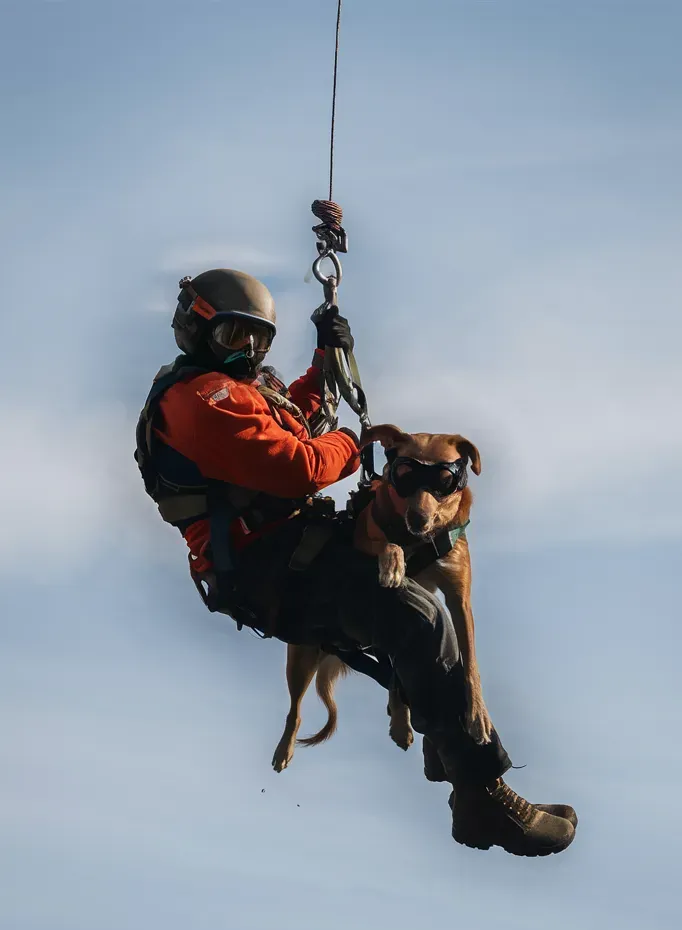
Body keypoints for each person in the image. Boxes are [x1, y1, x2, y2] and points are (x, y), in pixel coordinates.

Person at [136, 268, 577, 857]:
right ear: (195, 327)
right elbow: (295, 465)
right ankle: (482, 795)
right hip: (262, 568)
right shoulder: (199, 400)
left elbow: (294, 417)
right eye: (234, 337)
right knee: (413, 614)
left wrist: (326, 360)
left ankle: (456, 757)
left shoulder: (235, 393)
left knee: (419, 595)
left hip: (292, 549)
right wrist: (353, 444)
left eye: (257, 341)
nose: (247, 351)